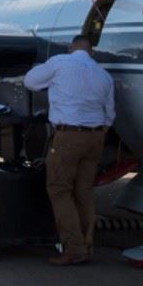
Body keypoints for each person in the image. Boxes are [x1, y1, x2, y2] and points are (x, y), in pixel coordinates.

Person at [22, 36, 115, 265]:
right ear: (91, 52)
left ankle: (74, 248)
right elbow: (110, 114)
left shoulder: (60, 62)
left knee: (59, 189)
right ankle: (88, 244)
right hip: (95, 137)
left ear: (71, 47)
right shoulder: (103, 75)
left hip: (68, 136)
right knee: (84, 191)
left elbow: (30, 82)